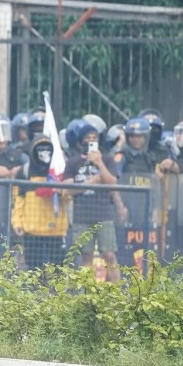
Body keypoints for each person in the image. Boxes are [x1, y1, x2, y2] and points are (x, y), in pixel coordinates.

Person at [62, 118, 124, 282]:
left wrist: (99, 163)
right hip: (82, 214)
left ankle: (115, 294)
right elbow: (66, 189)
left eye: (94, 138)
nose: (91, 141)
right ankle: (86, 293)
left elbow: (113, 183)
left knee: (109, 254)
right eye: (87, 138)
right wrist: (92, 182)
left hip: (104, 213)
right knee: (86, 256)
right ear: (81, 141)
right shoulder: (73, 162)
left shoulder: (108, 159)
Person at [10, 136, 69, 270]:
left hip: (56, 230)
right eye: (40, 149)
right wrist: (17, 222)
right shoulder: (24, 172)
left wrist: (60, 191)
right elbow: (18, 200)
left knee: (58, 267)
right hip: (32, 229)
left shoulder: (60, 171)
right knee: (34, 267)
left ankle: (55, 291)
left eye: (48, 149)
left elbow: (69, 198)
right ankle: (36, 291)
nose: (44, 153)